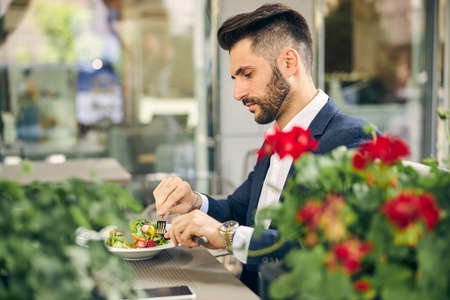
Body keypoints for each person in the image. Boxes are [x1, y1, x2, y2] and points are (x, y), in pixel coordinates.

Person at [153, 3, 371, 294]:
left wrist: (226, 236)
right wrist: (194, 202)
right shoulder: (276, 140)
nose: (237, 93)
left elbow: (317, 247)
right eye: (235, 78)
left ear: (289, 63)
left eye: (247, 74)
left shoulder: (353, 140)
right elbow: (240, 211)